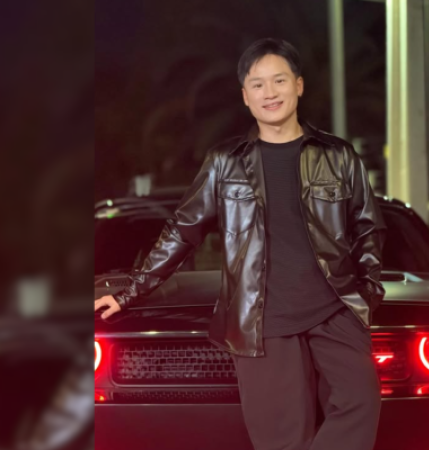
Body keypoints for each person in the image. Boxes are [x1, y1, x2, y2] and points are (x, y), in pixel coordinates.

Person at [95, 38, 387, 450]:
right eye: (258, 84)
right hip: (261, 321)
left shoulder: (338, 156)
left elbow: (368, 227)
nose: (270, 92)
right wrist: (129, 293)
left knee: (360, 403)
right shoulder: (224, 161)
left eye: (279, 80)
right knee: (281, 440)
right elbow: (183, 230)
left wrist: (367, 291)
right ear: (245, 96)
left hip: (334, 309)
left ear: (299, 85)